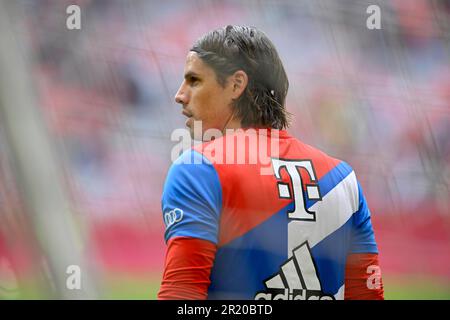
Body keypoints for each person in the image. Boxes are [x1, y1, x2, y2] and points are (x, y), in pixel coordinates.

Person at [158, 25, 384, 300]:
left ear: (236, 85)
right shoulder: (344, 178)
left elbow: (181, 295)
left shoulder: (198, 169)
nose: (180, 94)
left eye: (194, 80)